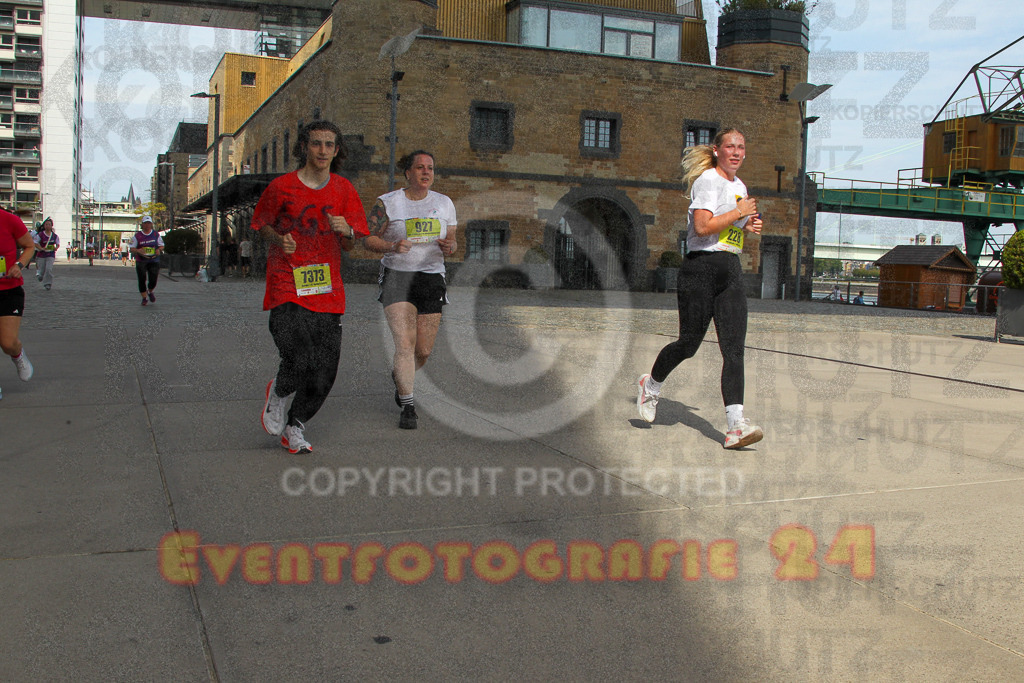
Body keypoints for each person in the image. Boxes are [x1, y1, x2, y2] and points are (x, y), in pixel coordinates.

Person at [636, 128, 763, 450]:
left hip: (730, 270)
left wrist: (747, 225)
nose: (736, 152)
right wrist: (739, 213)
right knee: (689, 344)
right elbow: (703, 227)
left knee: (734, 350)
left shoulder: (739, 187)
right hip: (700, 270)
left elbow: (728, 227)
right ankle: (650, 385)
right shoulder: (707, 180)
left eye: (741, 148)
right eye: (730, 147)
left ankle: (736, 426)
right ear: (717, 150)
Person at [253, 120, 369, 454]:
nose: (322, 151)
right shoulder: (282, 187)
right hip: (287, 283)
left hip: (327, 291)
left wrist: (346, 229)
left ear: (337, 149)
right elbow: (261, 224)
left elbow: (350, 246)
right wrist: (279, 238)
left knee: (325, 371)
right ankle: (278, 392)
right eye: (316, 144)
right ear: (304, 146)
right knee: (299, 355)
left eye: (329, 144)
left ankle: (295, 425)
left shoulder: (344, 190)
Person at [363, 151, 457, 430]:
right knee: (404, 345)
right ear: (408, 172)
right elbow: (368, 240)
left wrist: (449, 247)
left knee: (423, 351)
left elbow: (452, 243)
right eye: (419, 167)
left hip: (430, 278)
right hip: (397, 276)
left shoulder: (444, 203)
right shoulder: (388, 203)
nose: (425, 172)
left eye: (430, 168)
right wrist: (392, 246)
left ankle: (401, 377)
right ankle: (408, 405)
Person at [0, 207, 36, 400]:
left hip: (8, 290)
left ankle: (18, 355)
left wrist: (18, 265)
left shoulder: (9, 220)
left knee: (7, 342)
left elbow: (29, 246)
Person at [129, 215, 163, 306]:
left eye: (149, 223)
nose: (147, 225)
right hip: (141, 260)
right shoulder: (137, 236)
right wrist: (137, 250)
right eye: (145, 223)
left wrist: (159, 250)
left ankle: (150, 291)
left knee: (153, 279)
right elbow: (131, 248)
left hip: (154, 260)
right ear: (142, 225)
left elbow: (161, 245)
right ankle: (144, 297)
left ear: (151, 224)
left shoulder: (156, 234)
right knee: (142, 279)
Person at [32, 217, 58, 290]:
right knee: (42, 269)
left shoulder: (54, 235)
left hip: (50, 255)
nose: (48, 226)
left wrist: (56, 248)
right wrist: (41, 248)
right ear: (44, 226)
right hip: (41, 255)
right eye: (46, 224)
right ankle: (40, 275)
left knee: (48, 269)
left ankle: (47, 283)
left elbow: (57, 243)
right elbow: (35, 242)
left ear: (51, 226)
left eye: (49, 224)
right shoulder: (40, 234)